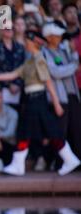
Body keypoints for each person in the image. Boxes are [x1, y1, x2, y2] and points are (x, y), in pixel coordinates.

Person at [0, 30, 80, 176]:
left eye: (28, 41)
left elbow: (48, 81)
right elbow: (13, 74)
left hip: (38, 99)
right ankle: (68, 159)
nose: (25, 44)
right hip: (31, 99)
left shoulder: (39, 59)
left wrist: (56, 103)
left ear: (34, 43)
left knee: (29, 131)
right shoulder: (29, 61)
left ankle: (21, 164)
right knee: (39, 131)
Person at [42, 23, 81, 161]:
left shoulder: (64, 50)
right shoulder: (44, 53)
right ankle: (60, 162)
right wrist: (74, 66)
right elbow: (55, 72)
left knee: (77, 129)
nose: (59, 38)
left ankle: (77, 160)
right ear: (49, 37)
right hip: (59, 97)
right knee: (61, 131)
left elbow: (73, 66)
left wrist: (74, 52)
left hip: (72, 95)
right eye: (56, 35)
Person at [0, 25, 26, 111]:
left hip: (18, 89)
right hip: (0, 89)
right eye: (6, 28)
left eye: (11, 28)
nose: (9, 30)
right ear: (1, 31)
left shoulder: (20, 48)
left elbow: (23, 68)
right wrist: (9, 84)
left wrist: (17, 84)